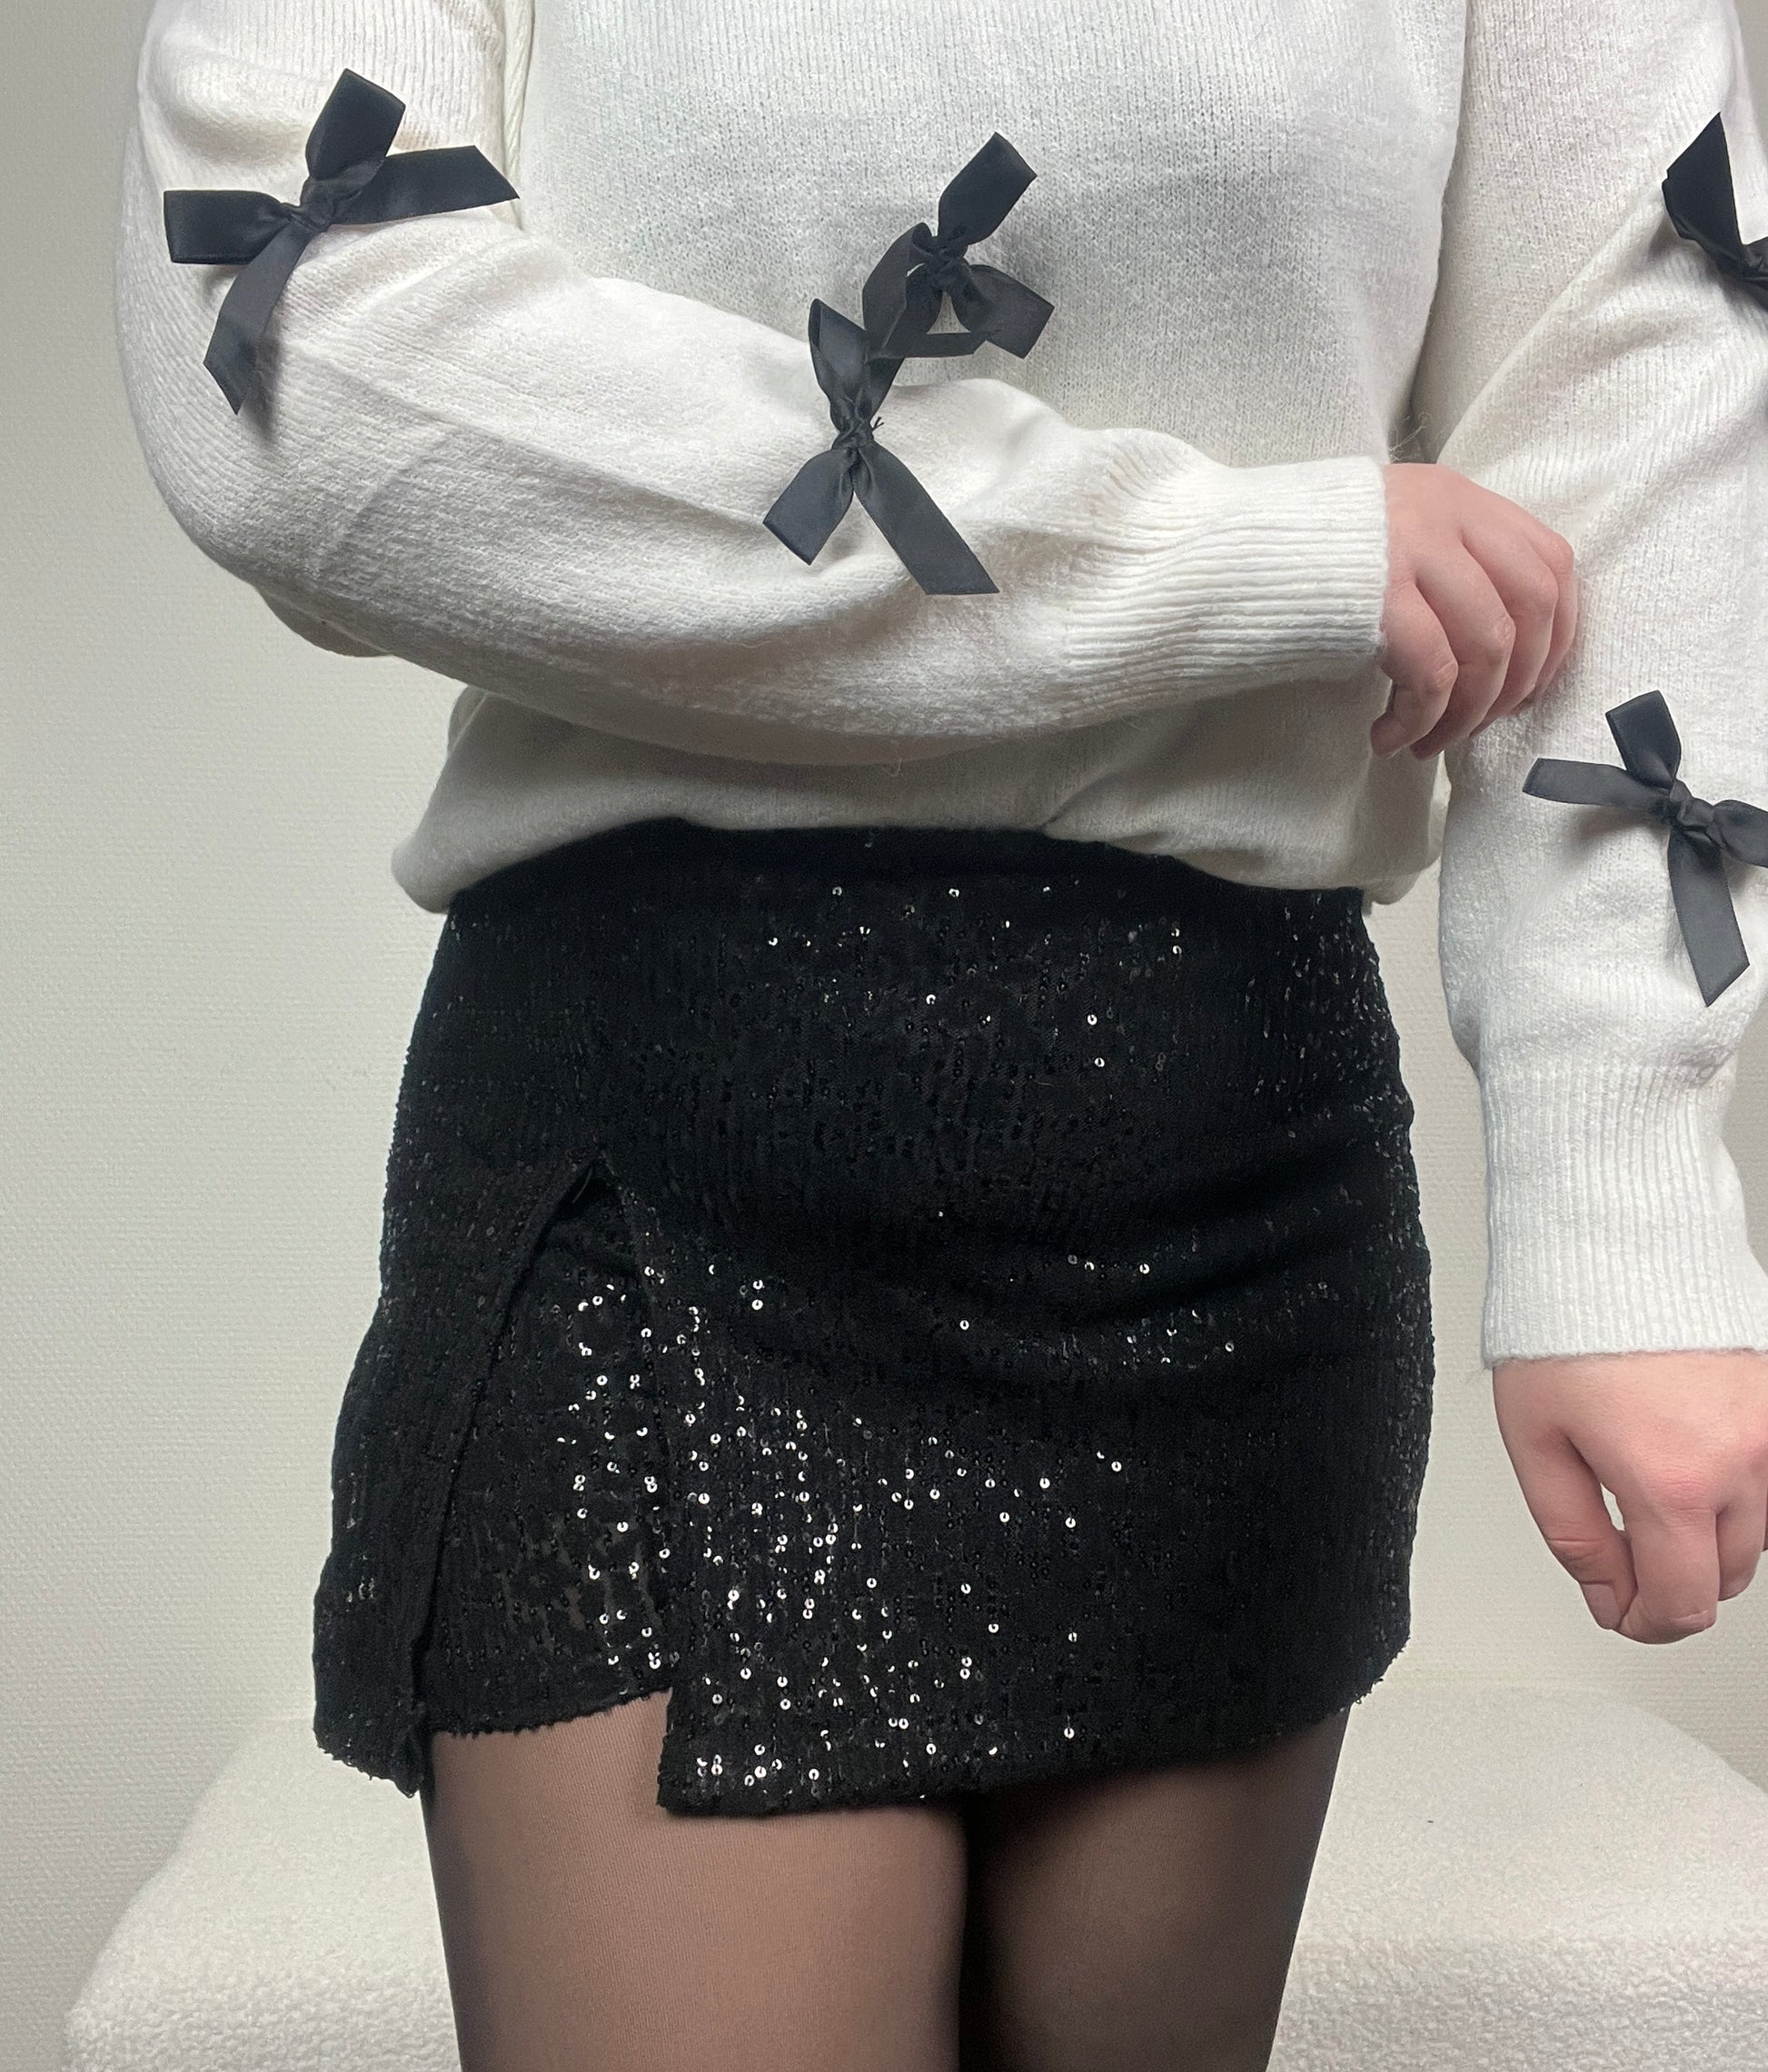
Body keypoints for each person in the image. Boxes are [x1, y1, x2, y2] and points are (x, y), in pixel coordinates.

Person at [114, 0, 1768, 2066]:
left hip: (1221, 1180)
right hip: (659, 1177)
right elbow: (305, 369)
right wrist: (1231, 562)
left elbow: (1634, 378)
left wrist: (1621, 1155)